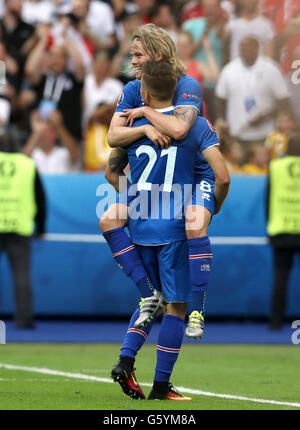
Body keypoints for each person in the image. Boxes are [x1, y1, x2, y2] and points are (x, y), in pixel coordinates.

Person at [109, 60, 229, 401]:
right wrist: (211, 209)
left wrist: (131, 198)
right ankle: (162, 386)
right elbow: (222, 177)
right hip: (173, 226)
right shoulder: (196, 125)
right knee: (175, 305)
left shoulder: (133, 121)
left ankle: (125, 359)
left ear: (144, 91)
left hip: (138, 226)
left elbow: (111, 169)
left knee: (151, 297)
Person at [0, 129, 46, 328]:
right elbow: (40, 198)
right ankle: (24, 320)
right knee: (21, 278)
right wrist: (41, 226)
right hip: (20, 228)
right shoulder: (27, 164)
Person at [215, 36, 291, 152]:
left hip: (265, 134)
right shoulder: (229, 70)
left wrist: (266, 116)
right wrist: (222, 119)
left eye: (248, 47)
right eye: (242, 47)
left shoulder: (271, 68)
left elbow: (283, 99)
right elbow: (220, 98)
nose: (244, 50)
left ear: (257, 48)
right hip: (237, 134)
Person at [266, 134, 300, 330]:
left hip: (281, 230)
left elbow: (268, 199)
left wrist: (270, 225)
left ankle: (275, 322)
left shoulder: (276, 167)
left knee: (280, 279)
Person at [23, 110, 79, 174]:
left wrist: (59, 126)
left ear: (56, 134)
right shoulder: (34, 153)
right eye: (42, 132)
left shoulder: (63, 152)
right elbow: (23, 160)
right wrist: (36, 133)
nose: (43, 135)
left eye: (47, 132)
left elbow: (75, 153)